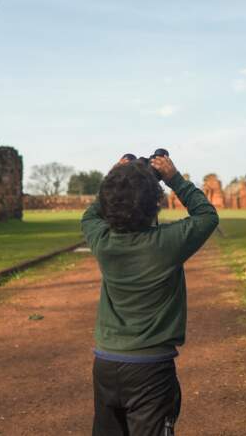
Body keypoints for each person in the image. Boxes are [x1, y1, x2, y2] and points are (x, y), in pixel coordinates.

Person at [81, 153, 219, 436]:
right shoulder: (167, 244)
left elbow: (91, 215)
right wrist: (173, 178)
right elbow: (206, 215)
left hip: (106, 363)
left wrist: (117, 177)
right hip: (151, 372)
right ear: (156, 204)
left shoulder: (103, 242)